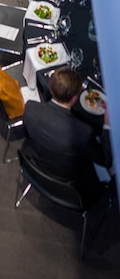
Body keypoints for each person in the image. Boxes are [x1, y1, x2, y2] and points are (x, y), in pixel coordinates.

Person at [23, 68, 111, 204]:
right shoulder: (83, 132)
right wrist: (107, 124)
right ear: (75, 98)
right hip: (67, 185)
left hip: (34, 165)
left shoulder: (30, 108)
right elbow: (106, 159)